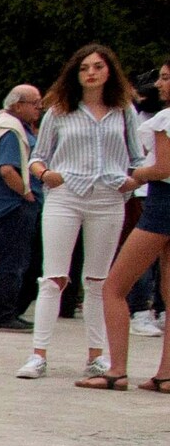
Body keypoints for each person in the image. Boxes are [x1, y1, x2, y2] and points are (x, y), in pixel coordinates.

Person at [21, 44, 146, 382]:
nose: (91, 73)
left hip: (108, 198)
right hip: (65, 196)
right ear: (75, 74)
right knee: (54, 277)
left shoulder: (124, 111)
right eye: (84, 68)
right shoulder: (60, 110)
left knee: (98, 279)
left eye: (98, 66)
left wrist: (129, 182)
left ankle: (96, 355)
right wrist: (46, 175)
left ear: (110, 72)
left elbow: (137, 156)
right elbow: (37, 156)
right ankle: (38, 354)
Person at [79, 58, 170, 390]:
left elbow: (162, 169)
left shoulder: (165, 119)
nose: (159, 84)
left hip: (161, 204)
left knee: (113, 287)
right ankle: (165, 373)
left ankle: (116, 369)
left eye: (164, 78)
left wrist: (133, 175)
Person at [0, 83, 44, 331]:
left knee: (18, 259)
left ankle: (9, 310)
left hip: (13, 203)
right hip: (15, 204)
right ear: (18, 105)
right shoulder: (11, 131)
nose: (39, 108)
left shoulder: (10, 127)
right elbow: (7, 169)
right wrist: (26, 192)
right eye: (35, 103)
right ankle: (4, 314)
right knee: (13, 260)